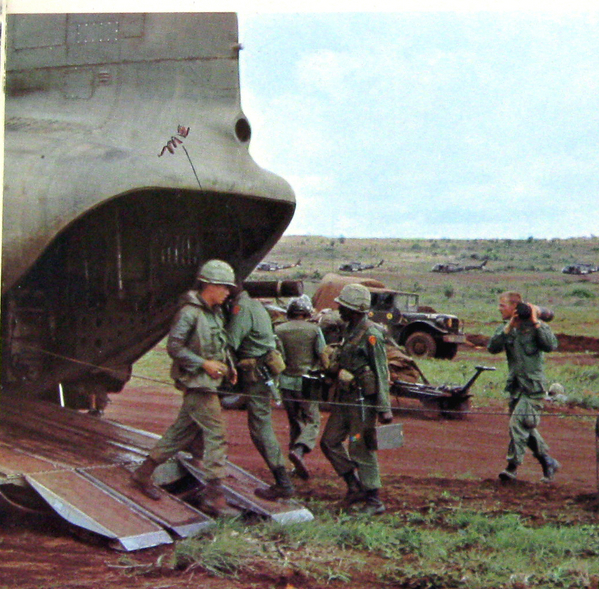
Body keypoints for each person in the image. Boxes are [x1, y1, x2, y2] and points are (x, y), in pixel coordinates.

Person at [131, 259, 237, 516]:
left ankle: (142, 473)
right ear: (208, 285)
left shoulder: (215, 313)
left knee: (180, 433)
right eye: (223, 287)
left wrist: (229, 367)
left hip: (208, 383)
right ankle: (214, 496)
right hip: (197, 384)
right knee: (216, 434)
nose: (227, 292)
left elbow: (219, 346)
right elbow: (175, 348)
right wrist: (203, 364)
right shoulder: (189, 312)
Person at [320, 283, 393, 515]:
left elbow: (381, 371)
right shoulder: (349, 328)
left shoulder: (372, 334)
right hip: (345, 398)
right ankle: (354, 487)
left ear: (356, 310)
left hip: (363, 402)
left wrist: (384, 408)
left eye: (344, 307)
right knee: (329, 442)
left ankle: (374, 500)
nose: (339, 310)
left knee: (360, 448)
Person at [226, 288, 295, 501]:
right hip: (264, 370)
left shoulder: (242, 308)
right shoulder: (255, 304)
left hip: (256, 374)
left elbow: (230, 342)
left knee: (260, 428)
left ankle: (283, 482)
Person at [487, 291, 560, 483]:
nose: (499, 309)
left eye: (502, 305)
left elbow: (551, 346)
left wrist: (536, 321)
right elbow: (492, 347)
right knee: (525, 428)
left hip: (533, 388)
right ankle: (547, 462)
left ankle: (511, 468)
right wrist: (510, 326)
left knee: (517, 424)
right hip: (516, 388)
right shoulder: (507, 328)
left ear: (513, 307)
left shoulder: (535, 328)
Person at [275, 295, 326, 480]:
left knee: (295, 422)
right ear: (306, 312)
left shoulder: (279, 330)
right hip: (307, 382)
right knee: (313, 420)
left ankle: (296, 463)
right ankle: (299, 449)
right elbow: (323, 354)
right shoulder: (314, 330)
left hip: (286, 382)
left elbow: (276, 357)